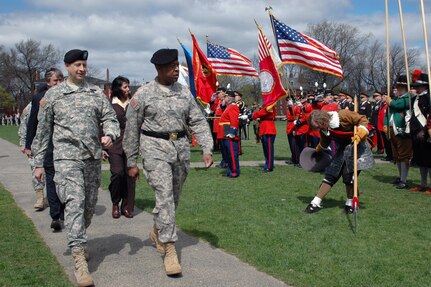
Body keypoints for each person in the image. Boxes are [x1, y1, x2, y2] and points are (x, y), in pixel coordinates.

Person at [32, 49, 120, 287]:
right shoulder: (55, 95)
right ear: (67, 67)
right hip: (65, 158)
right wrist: (38, 163)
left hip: (91, 158)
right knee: (74, 202)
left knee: (88, 208)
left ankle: (79, 238)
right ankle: (79, 259)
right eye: (77, 65)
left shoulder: (95, 93)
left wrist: (110, 134)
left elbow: (110, 118)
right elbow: (42, 132)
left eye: (84, 65)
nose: (82, 69)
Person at [122, 48, 213, 276]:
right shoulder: (143, 95)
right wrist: (132, 162)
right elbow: (132, 131)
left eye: (177, 64)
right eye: (172, 66)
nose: (176, 69)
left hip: (180, 150)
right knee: (164, 196)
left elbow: (198, 121)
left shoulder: (184, 92)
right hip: (154, 150)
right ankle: (170, 248)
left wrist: (206, 147)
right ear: (158, 69)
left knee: (172, 199)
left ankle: (157, 230)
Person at [304, 109, 374, 213]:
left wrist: (361, 133)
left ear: (323, 120)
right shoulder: (324, 128)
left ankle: (350, 203)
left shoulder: (343, 115)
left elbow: (362, 119)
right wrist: (320, 147)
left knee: (348, 175)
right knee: (331, 173)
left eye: (319, 126)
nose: (319, 129)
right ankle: (316, 202)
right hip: (343, 148)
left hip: (358, 146)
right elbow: (325, 140)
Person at [25, 68, 65, 231]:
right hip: (48, 144)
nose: (58, 83)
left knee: (64, 179)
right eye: (55, 81)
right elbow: (33, 123)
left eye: (61, 80)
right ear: (48, 82)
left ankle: (64, 212)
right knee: (51, 178)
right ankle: (55, 215)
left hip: (64, 145)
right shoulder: (39, 98)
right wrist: (29, 145)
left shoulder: (67, 96)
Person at [106, 76, 136, 218]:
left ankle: (126, 206)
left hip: (131, 144)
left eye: (128, 86)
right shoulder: (109, 104)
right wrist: (103, 147)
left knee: (129, 176)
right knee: (118, 173)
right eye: (125, 87)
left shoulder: (133, 103)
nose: (128, 89)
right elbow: (102, 123)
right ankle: (115, 203)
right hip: (115, 144)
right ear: (118, 88)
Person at [385, 75, 414, 189]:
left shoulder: (409, 98)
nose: (398, 89)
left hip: (403, 130)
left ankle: (404, 179)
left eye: (401, 87)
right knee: (397, 155)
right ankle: (400, 177)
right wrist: (386, 125)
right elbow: (389, 112)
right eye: (398, 86)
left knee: (404, 155)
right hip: (394, 130)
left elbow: (398, 105)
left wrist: (390, 102)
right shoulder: (396, 99)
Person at [18, 102, 48, 211]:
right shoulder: (30, 107)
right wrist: (23, 143)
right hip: (34, 144)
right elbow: (24, 125)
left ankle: (51, 197)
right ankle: (40, 198)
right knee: (35, 170)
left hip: (51, 144)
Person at [408, 73, 431, 192]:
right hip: (415, 133)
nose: (417, 88)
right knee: (421, 160)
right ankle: (423, 184)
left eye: (419, 86)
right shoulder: (414, 99)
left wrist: (425, 131)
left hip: (425, 133)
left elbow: (428, 117)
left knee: (429, 160)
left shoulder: (428, 98)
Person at [248, 104, 277, 172]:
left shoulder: (270, 105)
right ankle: (267, 164)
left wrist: (250, 115)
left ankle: (269, 166)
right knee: (266, 150)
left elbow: (261, 113)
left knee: (269, 150)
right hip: (265, 129)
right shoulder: (266, 105)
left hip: (269, 129)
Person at [219, 91, 241, 177]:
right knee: (228, 154)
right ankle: (229, 171)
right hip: (225, 130)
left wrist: (232, 132)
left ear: (229, 98)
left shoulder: (233, 107)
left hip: (229, 131)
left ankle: (234, 171)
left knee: (232, 153)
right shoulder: (229, 107)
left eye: (225, 97)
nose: (224, 99)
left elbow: (234, 120)